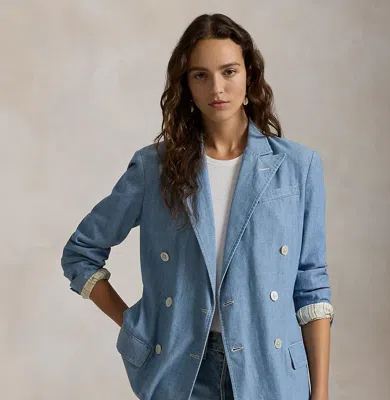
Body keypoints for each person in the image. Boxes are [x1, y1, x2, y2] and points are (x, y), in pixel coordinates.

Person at [61, 13, 334, 400]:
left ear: (250, 75)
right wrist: (135, 328)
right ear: (186, 85)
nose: (217, 88)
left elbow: (312, 285)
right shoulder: (155, 167)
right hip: (182, 372)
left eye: (229, 71)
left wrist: (320, 394)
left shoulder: (297, 167)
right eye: (201, 75)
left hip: (270, 372)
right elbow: (81, 252)